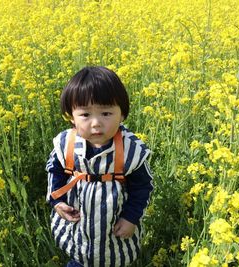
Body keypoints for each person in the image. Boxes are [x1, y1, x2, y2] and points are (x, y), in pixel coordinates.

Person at [46, 66, 154, 267]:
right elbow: (55, 173)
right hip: (78, 227)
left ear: (122, 114)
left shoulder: (131, 150)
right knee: (79, 256)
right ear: (71, 116)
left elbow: (143, 187)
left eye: (106, 113)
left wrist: (131, 218)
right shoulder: (66, 144)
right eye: (85, 115)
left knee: (116, 258)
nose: (96, 123)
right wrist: (58, 202)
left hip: (116, 230)